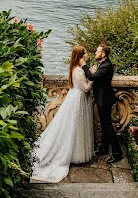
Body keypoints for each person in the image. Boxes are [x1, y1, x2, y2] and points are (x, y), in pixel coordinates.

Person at [31, 45, 94, 183]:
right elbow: (86, 87)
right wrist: (93, 77)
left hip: (76, 97)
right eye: (85, 53)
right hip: (78, 99)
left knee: (76, 126)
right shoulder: (78, 70)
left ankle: (77, 153)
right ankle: (73, 155)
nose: (87, 54)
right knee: (74, 126)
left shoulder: (75, 68)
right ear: (81, 56)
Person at [82, 42, 122, 163]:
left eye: (97, 51)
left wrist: (84, 66)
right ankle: (104, 148)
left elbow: (92, 77)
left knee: (107, 125)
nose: (95, 52)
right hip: (101, 97)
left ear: (103, 54)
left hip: (104, 98)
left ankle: (117, 152)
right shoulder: (102, 63)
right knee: (105, 124)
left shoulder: (106, 65)